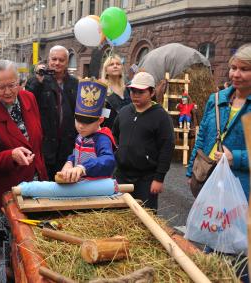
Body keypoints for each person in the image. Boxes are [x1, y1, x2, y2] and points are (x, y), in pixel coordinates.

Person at [0, 59, 48, 275]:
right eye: (0, 87)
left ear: (20, 82)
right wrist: (11, 155)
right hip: (1, 191)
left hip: (33, 184)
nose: (7, 92)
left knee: (29, 249)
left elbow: (36, 138)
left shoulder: (28, 98)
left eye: (12, 85)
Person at [187, 44, 251, 200]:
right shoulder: (216, 99)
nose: (236, 74)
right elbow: (201, 137)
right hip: (208, 179)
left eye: (244, 69)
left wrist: (235, 158)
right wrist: (191, 171)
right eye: (233, 68)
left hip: (240, 188)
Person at [112, 72, 175, 210]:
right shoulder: (124, 112)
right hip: (121, 176)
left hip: (146, 179)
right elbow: (114, 136)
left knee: (146, 219)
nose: (135, 94)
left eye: (141, 91)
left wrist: (159, 178)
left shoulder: (161, 117)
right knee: (118, 216)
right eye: (133, 90)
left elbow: (167, 148)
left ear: (152, 92)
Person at [25, 45, 78, 180]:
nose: (57, 63)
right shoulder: (38, 80)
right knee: (46, 184)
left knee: (65, 182)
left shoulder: (74, 83)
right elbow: (27, 102)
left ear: (67, 62)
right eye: (54, 59)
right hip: (46, 144)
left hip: (67, 145)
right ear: (48, 60)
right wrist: (38, 81)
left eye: (61, 60)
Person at [59, 79, 116, 183]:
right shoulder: (81, 134)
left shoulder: (102, 138)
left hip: (96, 188)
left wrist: (83, 168)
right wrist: (69, 162)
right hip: (80, 184)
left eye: (87, 122)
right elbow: (76, 153)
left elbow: (108, 160)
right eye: (78, 120)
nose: (81, 126)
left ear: (100, 120)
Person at [100, 54, 132, 129]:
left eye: (118, 64)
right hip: (111, 132)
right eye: (111, 64)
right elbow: (103, 117)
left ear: (121, 68)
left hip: (129, 131)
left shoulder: (128, 90)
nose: (115, 66)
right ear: (106, 70)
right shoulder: (102, 91)